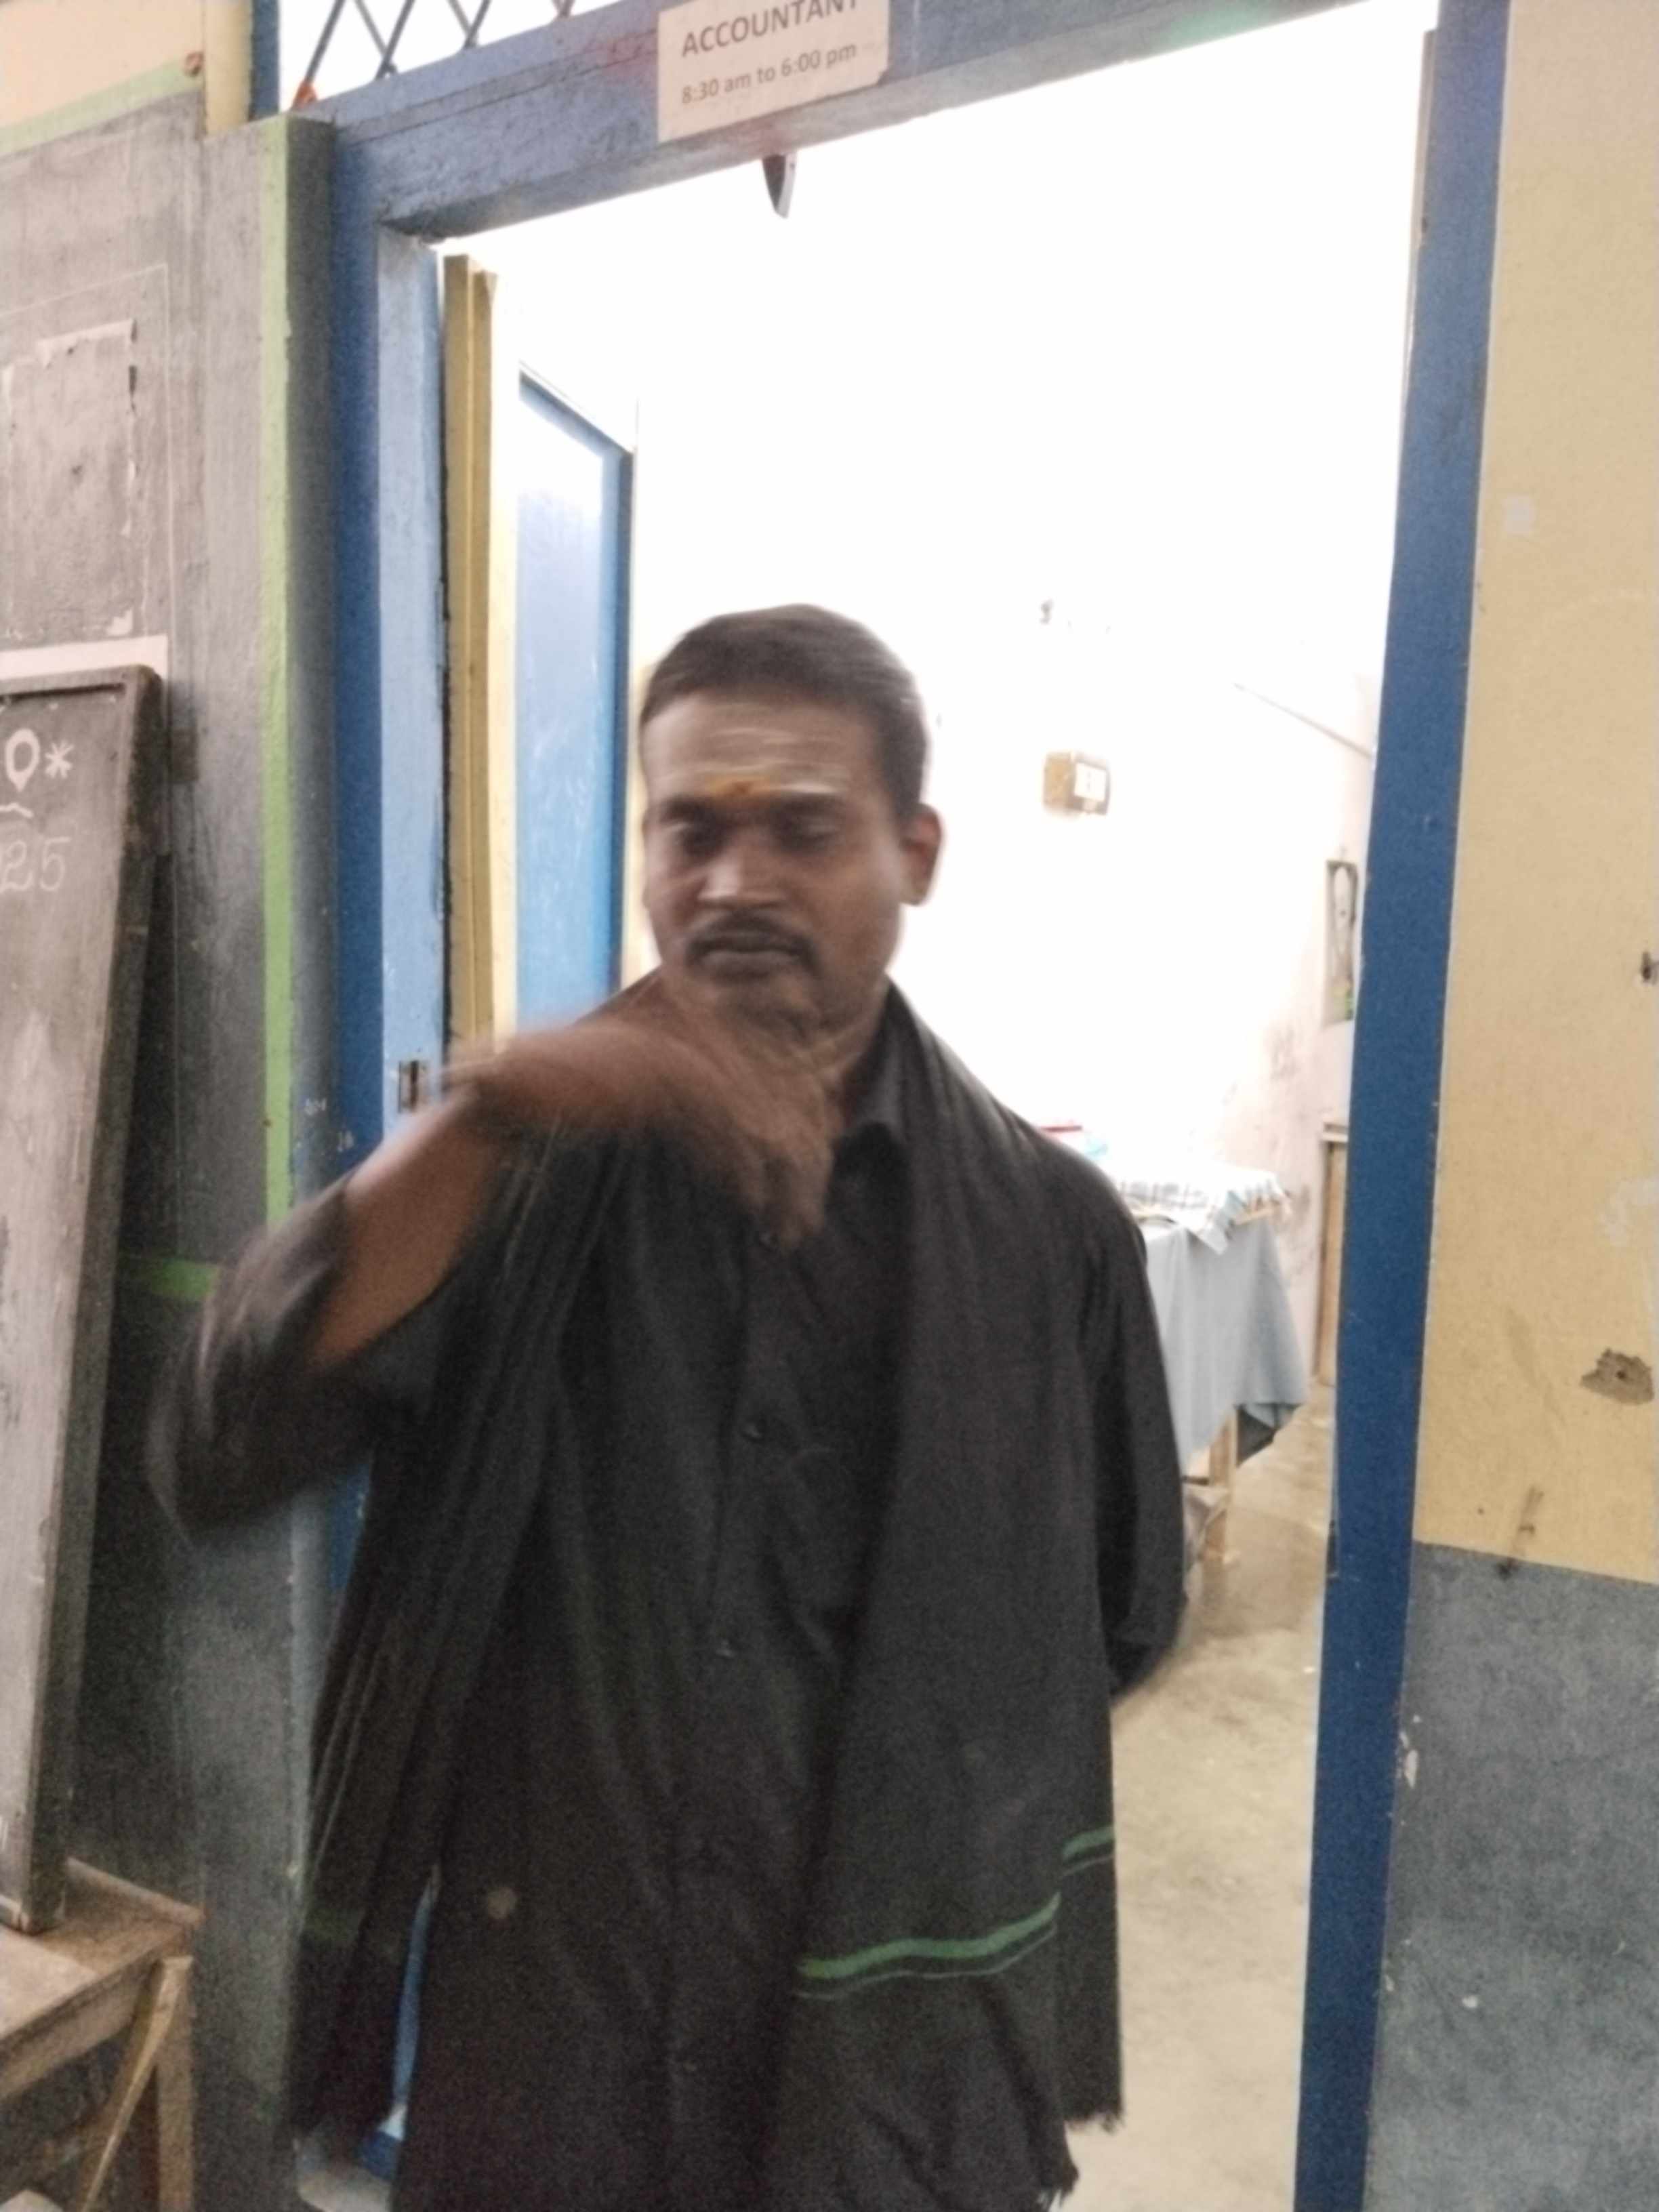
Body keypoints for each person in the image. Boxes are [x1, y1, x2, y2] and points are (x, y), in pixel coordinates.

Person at [150, 605, 1184, 2212]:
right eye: (691, 830)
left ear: (916, 854)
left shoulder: (1054, 1239)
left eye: (804, 832)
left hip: (891, 2067)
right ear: (644, 852)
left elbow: (1113, 1619)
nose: (736, 882)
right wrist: (486, 1117)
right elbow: (216, 1449)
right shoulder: (514, 1175)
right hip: (551, 2050)